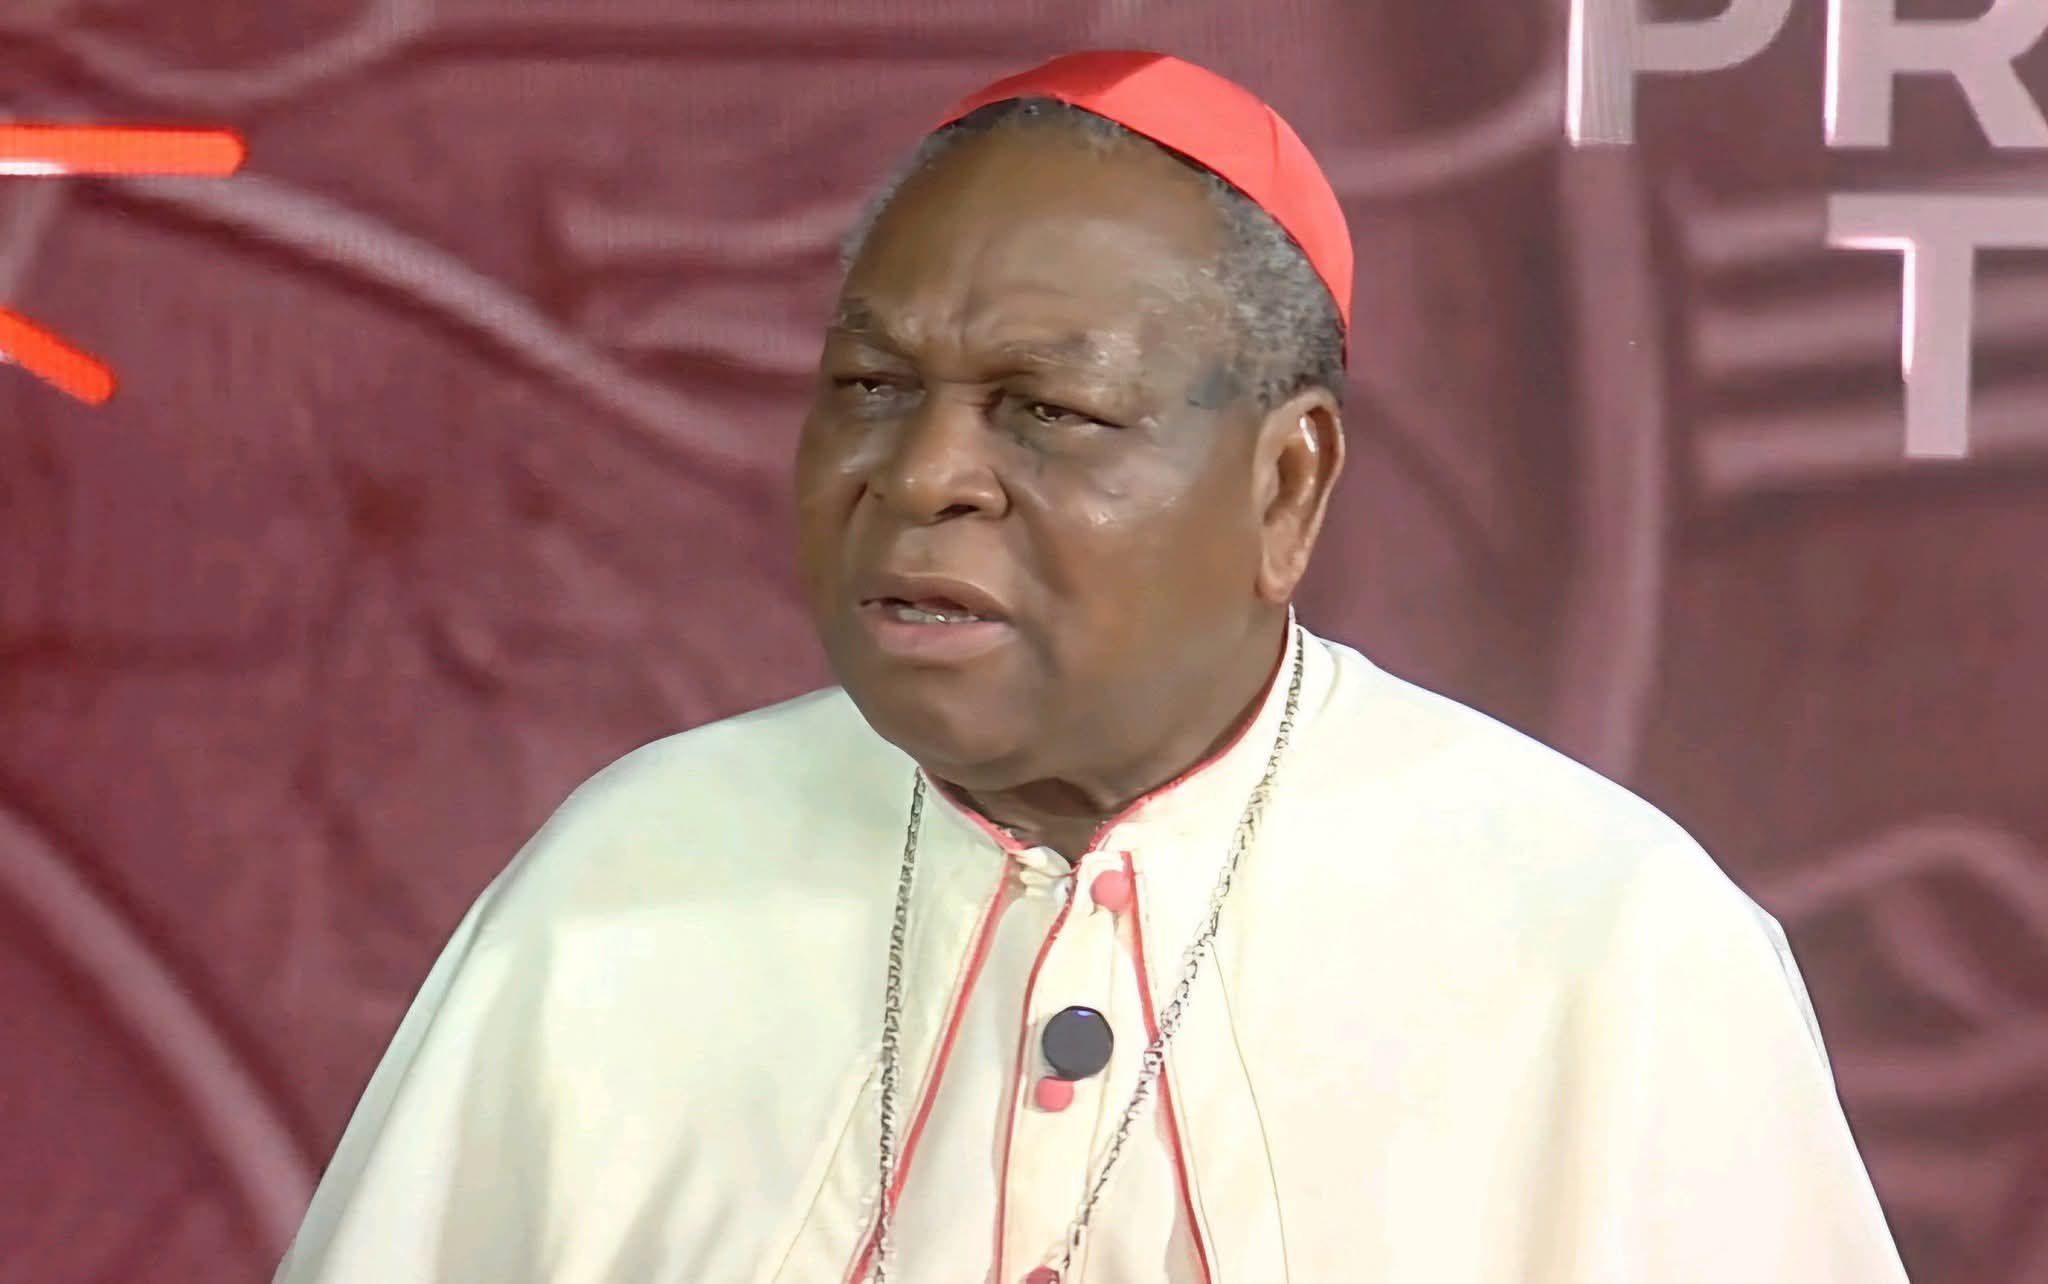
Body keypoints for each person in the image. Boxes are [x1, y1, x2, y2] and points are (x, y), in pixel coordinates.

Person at [273, 50, 1911, 1284]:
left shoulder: (1603, 942)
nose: (923, 477)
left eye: (1048, 411)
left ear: (1285, 489)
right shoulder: (620, 884)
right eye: (869, 388)